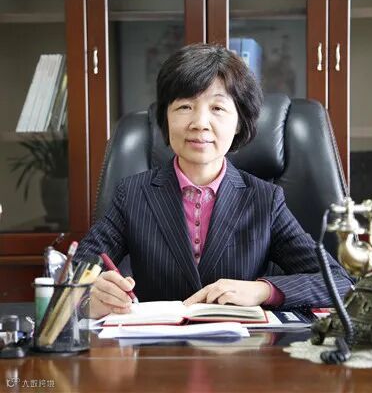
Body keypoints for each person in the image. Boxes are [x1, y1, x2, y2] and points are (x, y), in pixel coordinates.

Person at [74, 43, 353, 319]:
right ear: (165, 118)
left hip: (242, 345)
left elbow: (339, 283)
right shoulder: (133, 194)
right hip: (156, 344)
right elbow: (76, 272)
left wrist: (263, 290)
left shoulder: (264, 200)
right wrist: (89, 295)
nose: (200, 122)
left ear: (239, 122)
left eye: (217, 108)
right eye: (185, 106)